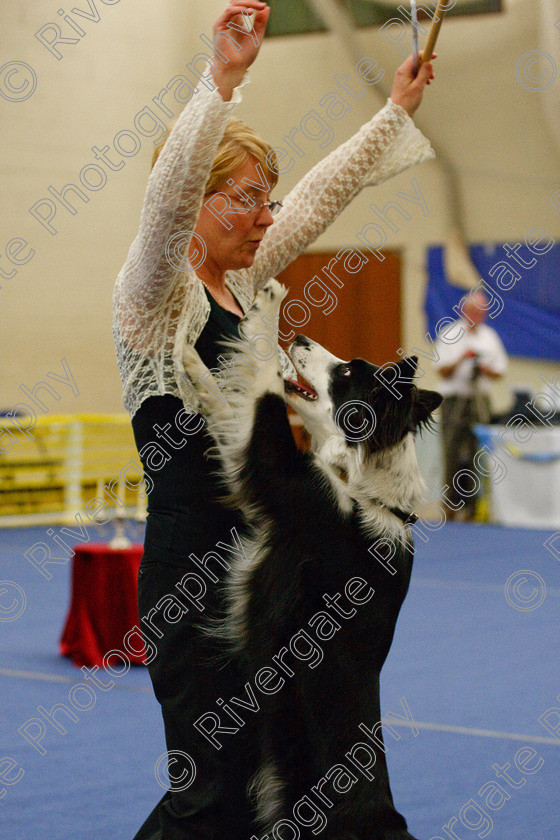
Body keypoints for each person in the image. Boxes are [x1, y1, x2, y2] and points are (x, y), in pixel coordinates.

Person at [113, 2, 437, 837]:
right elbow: (168, 200)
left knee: (266, 777)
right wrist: (222, 79)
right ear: (200, 204)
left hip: (265, 568)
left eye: (268, 198)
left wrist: (395, 110)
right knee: (210, 795)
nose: (268, 215)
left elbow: (327, 191)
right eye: (249, 198)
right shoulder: (154, 296)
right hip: (190, 568)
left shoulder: (248, 283)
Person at [434, 290, 508, 521]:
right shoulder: (450, 334)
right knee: (452, 451)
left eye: (481, 312)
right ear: (465, 310)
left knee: (478, 451)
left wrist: (485, 369)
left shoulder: (489, 337)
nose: (477, 315)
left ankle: (475, 506)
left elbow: (500, 371)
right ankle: (450, 505)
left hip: (479, 400)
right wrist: (462, 359)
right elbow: (442, 370)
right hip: (454, 399)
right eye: (473, 311)